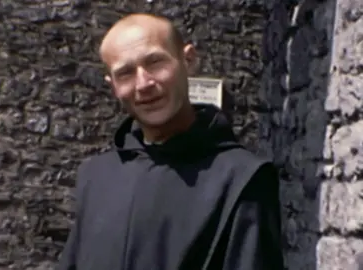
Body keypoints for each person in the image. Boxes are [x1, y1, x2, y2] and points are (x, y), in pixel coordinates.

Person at [57, 13, 284, 270]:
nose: (143, 84)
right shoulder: (96, 176)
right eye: (126, 73)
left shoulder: (243, 179)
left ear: (188, 60)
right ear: (112, 86)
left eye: (155, 63)